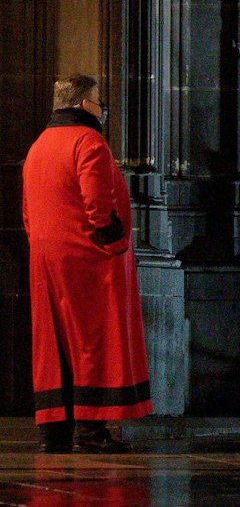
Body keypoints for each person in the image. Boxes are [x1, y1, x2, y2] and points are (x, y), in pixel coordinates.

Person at [23, 74, 152, 453]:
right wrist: (114, 243)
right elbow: (98, 201)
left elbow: (28, 211)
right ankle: (91, 432)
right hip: (87, 257)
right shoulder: (88, 141)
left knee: (54, 346)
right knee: (92, 342)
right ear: (84, 104)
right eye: (98, 99)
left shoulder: (39, 145)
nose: (102, 107)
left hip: (46, 258)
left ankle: (55, 433)